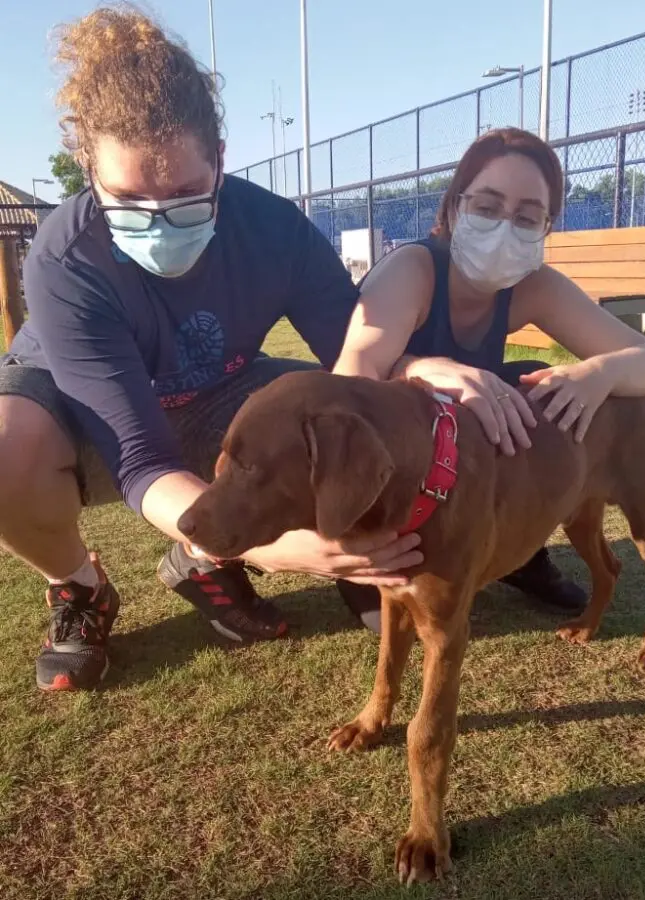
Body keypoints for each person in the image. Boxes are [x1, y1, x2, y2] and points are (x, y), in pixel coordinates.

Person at [0, 8, 423, 692]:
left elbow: (358, 364)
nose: (159, 220)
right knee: (4, 451)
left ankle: (222, 559)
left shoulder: (272, 227)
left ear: (221, 158)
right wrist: (269, 547)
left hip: (213, 389)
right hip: (79, 408)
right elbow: (140, 457)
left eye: (185, 193)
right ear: (88, 168)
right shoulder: (65, 257)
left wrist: (421, 368)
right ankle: (79, 586)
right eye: (127, 198)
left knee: (345, 419)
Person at [333, 127, 645, 631]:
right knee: (390, 613)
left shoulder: (533, 286)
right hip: (391, 470)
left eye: (527, 217)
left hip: (466, 460)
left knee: (516, 389)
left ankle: (521, 549)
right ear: (454, 208)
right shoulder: (413, 270)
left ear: (545, 228)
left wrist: (598, 372)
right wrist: (417, 369)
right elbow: (351, 382)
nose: (504, 228)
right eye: (487, 207)